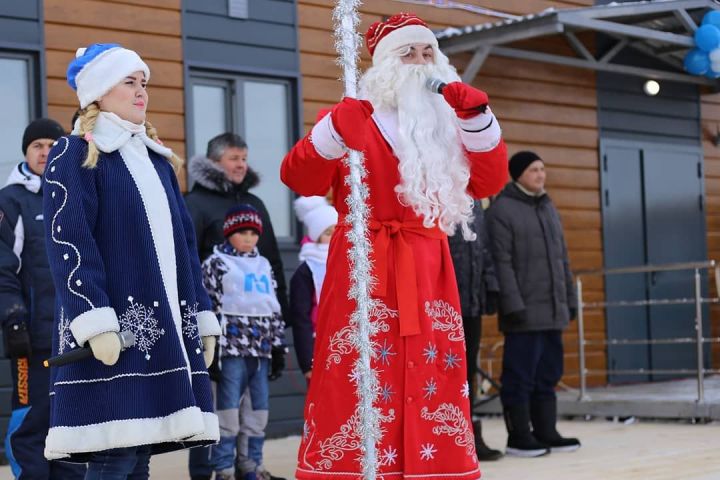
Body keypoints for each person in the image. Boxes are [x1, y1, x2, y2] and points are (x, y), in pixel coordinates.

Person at [281, 12, 508, 479]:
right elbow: (299, 177)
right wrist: (334, 132)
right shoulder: (350, 117)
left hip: (427, 268)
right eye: (408, 53)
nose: (422, 62)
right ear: (384, 66)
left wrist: (477, 119)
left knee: (431, 367)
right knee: (357, 369)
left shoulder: (451, 126)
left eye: (429, 52)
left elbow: (489, 180)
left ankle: (431, 467)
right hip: (363, 263)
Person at [42, 43, 220, 477]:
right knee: (115, 452)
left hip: (159, 333)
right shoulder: (75, 153)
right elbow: (70, 243)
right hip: (112, 331)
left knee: (139, 451)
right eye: (129, 82)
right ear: (100, 91)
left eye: (144, 83)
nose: (142, 91)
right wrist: (93, 319)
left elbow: (185, 251)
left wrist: (201, 316)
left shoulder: (157, 161)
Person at [186, 134, 287, 480]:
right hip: (215, 328)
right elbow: (186, 263)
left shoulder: (255, 203)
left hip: (256, 334)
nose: (241, 164)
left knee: (251, 406)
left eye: (244, 157)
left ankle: (248, 467)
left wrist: (280, 327)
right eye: (233, 158)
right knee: (215, 407)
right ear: (214, 162)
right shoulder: (196, 204)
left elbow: (271, 263)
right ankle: (209, 471)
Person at [0, 118, 87, 479]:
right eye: (37, 146)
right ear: (26, 152)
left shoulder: (73, 195)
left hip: (75, 337)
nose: (45, 152)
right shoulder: (11, 201)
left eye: (52, 145)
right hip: (33, 336)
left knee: (70, 422)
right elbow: (2, 265)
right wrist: (13, 317)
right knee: (31, 422)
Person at [486, 151, 581, 457]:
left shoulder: (547, 206)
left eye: (543, 169)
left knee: (549, 372)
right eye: (533, 170)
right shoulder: (502, 210)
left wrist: (569, 299)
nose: (541, 175)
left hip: (553, 309)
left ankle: (546, 431)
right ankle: (519, 436)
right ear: (518, 175)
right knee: (519, 376)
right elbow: (501, 261)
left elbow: (561, 259)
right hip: (523, 311)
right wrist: (512, 304)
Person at [201, 204, 286, 480]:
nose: (249, 238)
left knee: (257, 410)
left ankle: (252, 465)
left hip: (259, 350)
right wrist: (207, 348)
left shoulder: (263, 265)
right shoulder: (216, 263)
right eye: (242, 232)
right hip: (230, 351)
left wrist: (277, 347)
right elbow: (206, 305)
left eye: (253, 233)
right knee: (227, 411)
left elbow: (272, 307)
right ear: (229, 233)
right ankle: (224, 469)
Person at [447, 200, 503, 461]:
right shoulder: (436, 196)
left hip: (472, 301)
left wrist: (490, 285)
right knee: (445, 374)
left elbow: (483, 247)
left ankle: (467, 436)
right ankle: (449, 438)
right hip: (443, 302)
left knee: (467, 373)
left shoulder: (474, 203)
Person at [289, 196, 338, 383]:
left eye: (336, 230)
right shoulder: (308, 270)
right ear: (316, 237)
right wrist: (307, 362)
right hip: (320, 344)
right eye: (327, 232)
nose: (333, 236)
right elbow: (300, 317)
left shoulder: (351, 263)